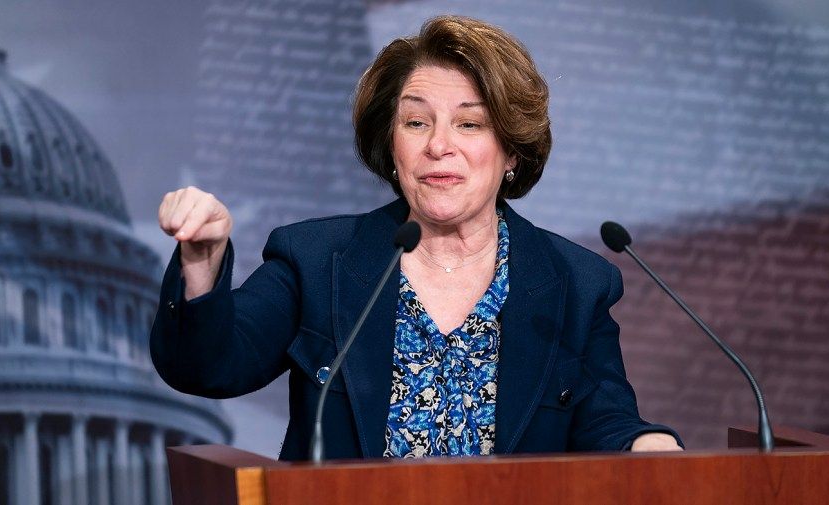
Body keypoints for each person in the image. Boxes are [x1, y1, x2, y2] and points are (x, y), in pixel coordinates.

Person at [150, 15, 682, 460]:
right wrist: (201, 259)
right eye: (416, 123)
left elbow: (606, 419)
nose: (438, 146)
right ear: (391, 145)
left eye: (469, 124)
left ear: (512, 153)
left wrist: (649, 445)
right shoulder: (316, 261)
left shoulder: (576, 283)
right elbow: (208, 367)